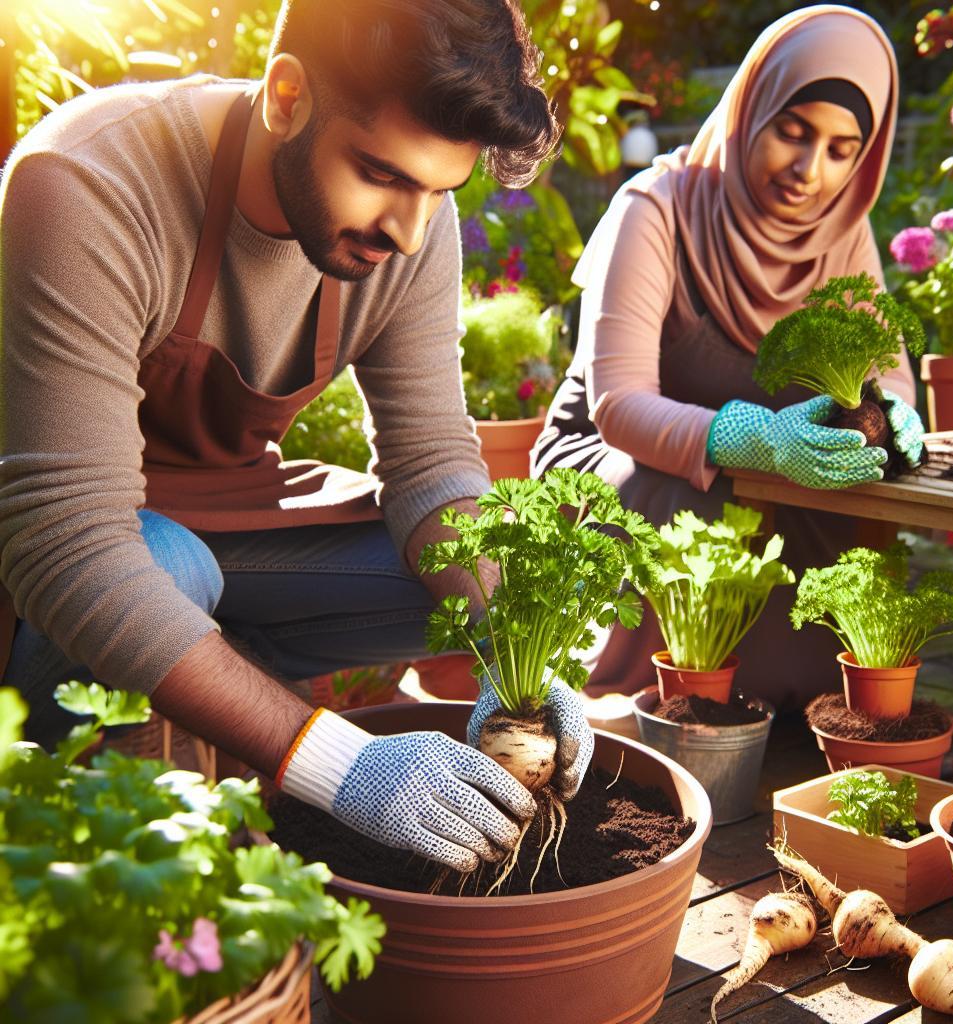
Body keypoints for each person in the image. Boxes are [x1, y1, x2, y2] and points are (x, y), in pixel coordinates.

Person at [0, 0, 593, 875]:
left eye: (442, 192)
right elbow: (67, 544)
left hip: (227, 527)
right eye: (383, 175)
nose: (412, 231)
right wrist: (334, 759)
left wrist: (514, 648)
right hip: (43, 562)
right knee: (166, 570)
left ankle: (205, 664)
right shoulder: (88, 180)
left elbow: (431, 465)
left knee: (453, 581)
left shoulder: (407, 230)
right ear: (286, 96)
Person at [532, 5, 925, 709]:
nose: (809, 170)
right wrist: (753, 438)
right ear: (753, 109)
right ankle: (657, 697)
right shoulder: (655, 208)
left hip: (773, 474)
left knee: (847, 559)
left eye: (841, 150)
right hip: (624, 457)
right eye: (793, 132)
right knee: (696, 505)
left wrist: (894, 408)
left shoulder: (844, 232)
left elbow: (885, 370)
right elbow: (616, 403)